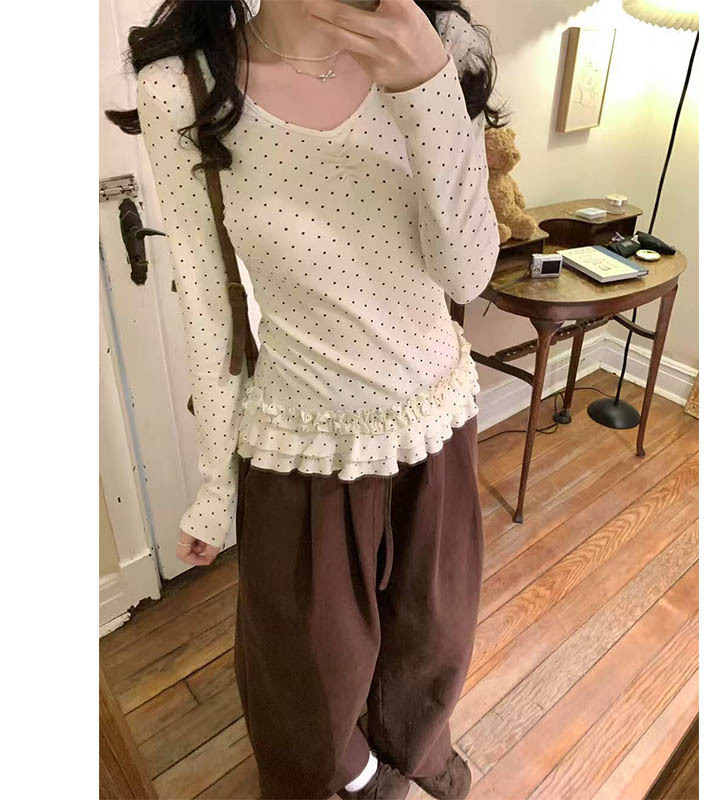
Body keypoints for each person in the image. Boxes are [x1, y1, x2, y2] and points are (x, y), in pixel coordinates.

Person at [107, 0, 504, 797]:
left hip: (436, 422)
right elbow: (209, 306)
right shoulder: (185, 86)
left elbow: (466, 274)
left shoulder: (440, 45)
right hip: (303, 443)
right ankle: (356, 777)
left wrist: (426, 86)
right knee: (308, 674)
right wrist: (215, 484)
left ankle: (416, 755)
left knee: (433, 641)